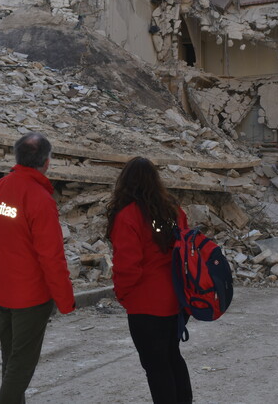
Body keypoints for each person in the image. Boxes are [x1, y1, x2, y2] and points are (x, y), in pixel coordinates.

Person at [0, 132, 75, 404]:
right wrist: (65, 301)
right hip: (30, 297)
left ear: (17, 157)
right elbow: (51, 257)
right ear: (46, 162)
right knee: (21, 365)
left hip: (1, 292)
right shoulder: (40, 200)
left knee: (12, 359)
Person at [106, 157, 193, 404]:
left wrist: (123, 295)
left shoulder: (128, 216)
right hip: (176, 300)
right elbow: (185, 250)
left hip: (146, 305)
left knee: (156, 366)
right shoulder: (174, 210)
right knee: (172, 357)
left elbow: (127, 267)